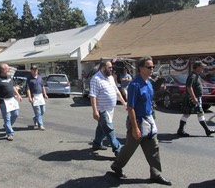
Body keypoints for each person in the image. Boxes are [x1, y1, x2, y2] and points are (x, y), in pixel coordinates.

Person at [111, 56, 172, 186]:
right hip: (137, 121)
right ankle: (117, 166)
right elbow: (131, 107)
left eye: (153, 67)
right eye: (149, 67)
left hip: (148, 120)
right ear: (140, 68)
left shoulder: (148, 82)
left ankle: (155, 174)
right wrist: (135, 128)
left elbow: (149, 102)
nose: (152, 69)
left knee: (154, 147)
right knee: (129, 148)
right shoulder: (134, 85)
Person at [89, 59, 127, 156]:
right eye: (109, 67)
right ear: (102, 68)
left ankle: (97, 144)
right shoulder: (95, 79)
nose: (111, 69)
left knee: (102, 127)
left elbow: (116, 91)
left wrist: (124, 102)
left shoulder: (110, 77)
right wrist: (95, 111)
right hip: (102, 109)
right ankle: (118, 150)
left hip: (110, 109)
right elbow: (93, 95)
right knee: (109, 129)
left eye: (111, 67)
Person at [177, 61, 215, 137]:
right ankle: (180, 130)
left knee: (199, 113)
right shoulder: (192, 76)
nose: (203, 68)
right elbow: (189, 87)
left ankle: (207, 130)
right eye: (202, 66)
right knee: (187, 114)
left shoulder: (196, 75)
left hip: (197, 97)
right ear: (197, 67)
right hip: (193, 98)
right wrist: (194, 98)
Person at [0, 64, 22, 141]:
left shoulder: (9, 77)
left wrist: (18, 95)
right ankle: (9, 133)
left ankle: (7, 126)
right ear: (2, 70)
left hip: (11, 99)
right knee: (7, 118)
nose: (9, 70)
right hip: (3, 101)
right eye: (7, 69)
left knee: (15, 114)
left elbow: (13, 87)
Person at [26, 65, 48, 130]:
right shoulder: (29, 79)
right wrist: (29, 97)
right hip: (34, 97)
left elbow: (42, 86)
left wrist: (45, 94)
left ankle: (35, 118)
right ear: (31, 70)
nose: (35, 71)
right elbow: (28, 89)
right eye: (34, 70)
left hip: (40, 96)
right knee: (38, 111)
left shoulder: (40, 77)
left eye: (36, 70)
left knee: (42, 111)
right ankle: (40, 125)